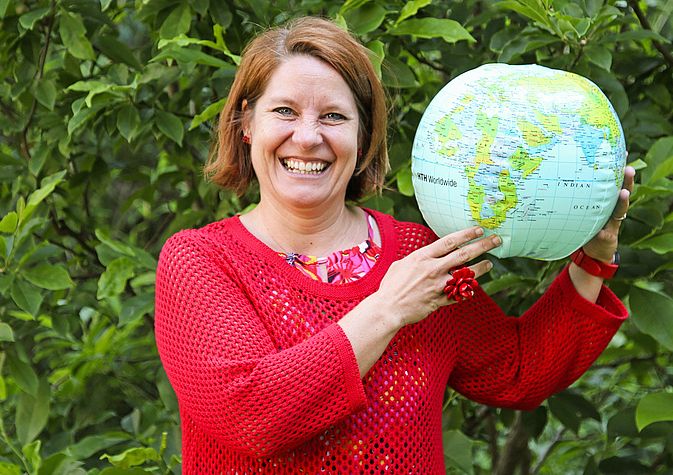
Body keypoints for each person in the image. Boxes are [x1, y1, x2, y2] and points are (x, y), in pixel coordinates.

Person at [154, 16, 633, 474]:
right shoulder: (199, 261)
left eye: (334, 116)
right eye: (284, 111)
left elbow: (517, 369)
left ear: (362, 138)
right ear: (247, 125)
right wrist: (389, 308)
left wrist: (593, 261)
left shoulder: (414, 252)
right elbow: (254, 417)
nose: (308, 136)